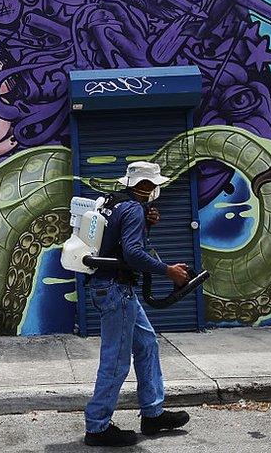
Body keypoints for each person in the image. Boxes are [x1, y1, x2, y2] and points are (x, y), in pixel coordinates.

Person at [84, 161, 192, 447]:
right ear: (147, 186)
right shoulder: (133, 209)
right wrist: (167, 270)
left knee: (146, 344)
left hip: (114, 288)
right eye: (154, 184)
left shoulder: (114, 203)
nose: (156, 188)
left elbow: (118, 240)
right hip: (117, 290)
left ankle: (153, 414)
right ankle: (97, 427)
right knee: (116, 359)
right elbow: (132, 253)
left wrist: (147, 223)